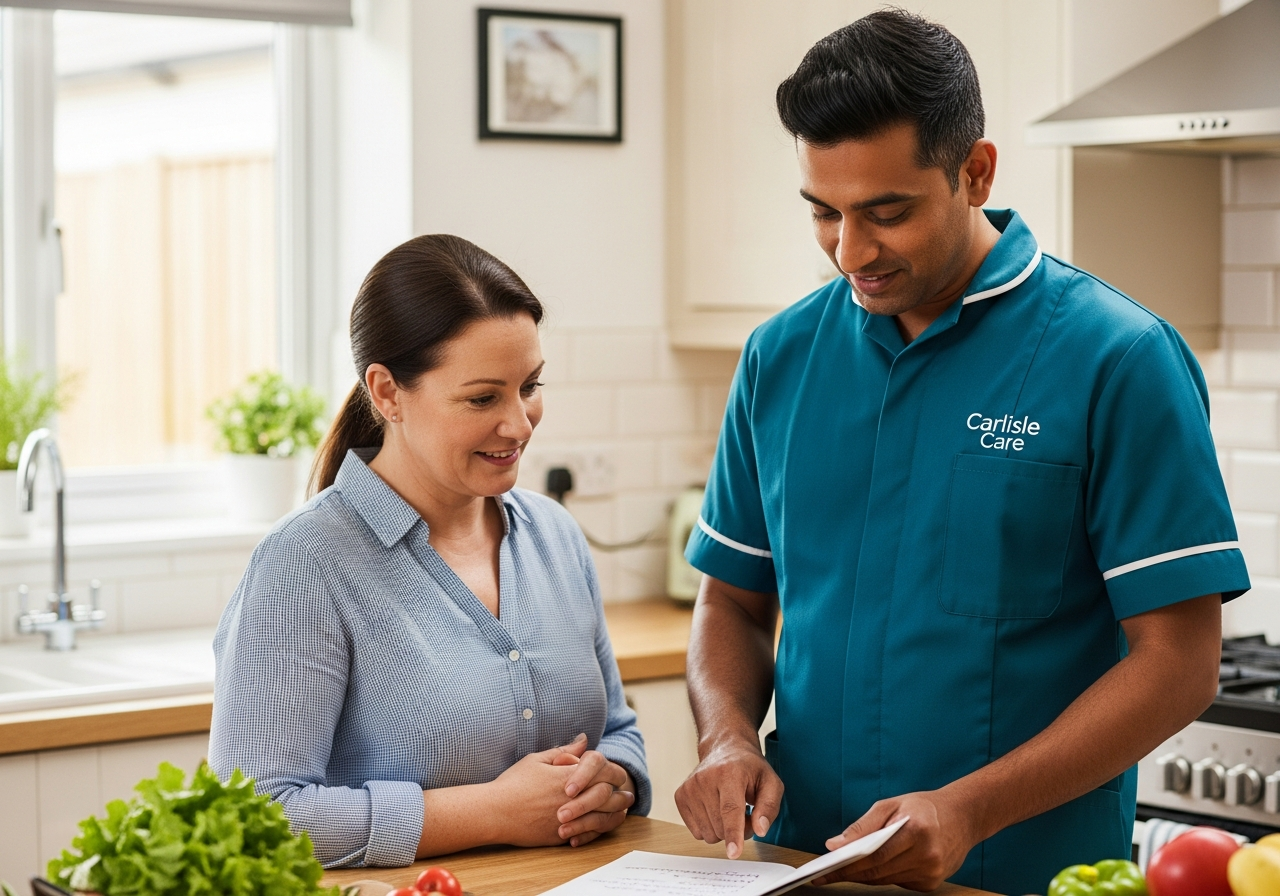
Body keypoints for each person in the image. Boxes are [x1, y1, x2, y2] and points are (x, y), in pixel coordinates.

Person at [674, 11, 1248, 896]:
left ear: (975, 172)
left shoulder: (1118, 359)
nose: (850, 252)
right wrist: (727, 739)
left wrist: (969, 809)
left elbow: (1179, 662)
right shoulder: (778, 357)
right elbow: (734, 603)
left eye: (886, 213)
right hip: (805, 866)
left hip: (1024, 874)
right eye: (823, 212)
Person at [209, 234, 650, 868]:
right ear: (387, 393)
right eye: (482, 398)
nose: (520, 424)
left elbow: (618, 731)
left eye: (529, 386)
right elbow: (255, 816)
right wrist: (492, 811)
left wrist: (617, 783)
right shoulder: (304, 565)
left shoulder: (554, 535)